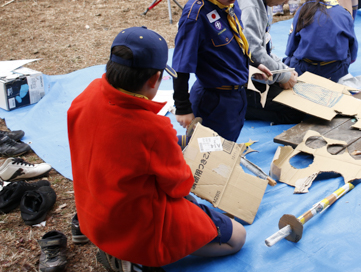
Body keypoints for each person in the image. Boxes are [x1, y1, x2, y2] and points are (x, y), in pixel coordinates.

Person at [67, 26, 246, 269]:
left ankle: (119, 251)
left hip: (95, 215)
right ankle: (134, 260)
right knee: (236, 236)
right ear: (154, 80)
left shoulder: (86, 96)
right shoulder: (152, 128)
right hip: (137, 227)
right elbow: (180, 187)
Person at [172, 0, 270, 141]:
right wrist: (182, 107)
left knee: (227, 147)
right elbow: (181, 65)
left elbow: (237, 44)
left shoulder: (227, 3)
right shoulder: (196, 14)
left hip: (235, 98)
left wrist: (253, 65)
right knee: (208, 159)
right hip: (213, 102)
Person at [237, 0, 310, 124]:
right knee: (295, 111)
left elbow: (264, 46)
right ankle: (237, 106)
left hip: (253, 71)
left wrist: (283, 70)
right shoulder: (249, 2)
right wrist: (282, 75)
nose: (285, 3)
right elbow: (253, 51)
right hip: (240, 79)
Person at [284, 0, 357, 83]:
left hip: (305, 69)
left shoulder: (303, 10)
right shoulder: (344, 13)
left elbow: (291, 45)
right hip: (335, 70)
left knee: (287, 60)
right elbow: (353, 46)